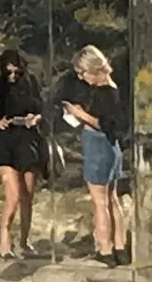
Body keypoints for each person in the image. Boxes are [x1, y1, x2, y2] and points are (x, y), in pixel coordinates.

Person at [54, 46, 127, 266]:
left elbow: (104, 124)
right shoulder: (109, 89)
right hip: (112, 148)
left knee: (99, 202)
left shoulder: (107, 91)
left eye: (82, 72)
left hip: (98, 145)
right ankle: (120, 247)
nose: (80, 77)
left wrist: (79, 114)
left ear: (92, 69)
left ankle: (105, 250)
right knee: (112, 199)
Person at [0, 49, 48, 258]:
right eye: (8, 72)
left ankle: (24, 241)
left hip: (27, 139)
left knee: (27, 195)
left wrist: (34, 118)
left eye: (16, 73)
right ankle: (4, 242)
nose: (12, 77)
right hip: (4, 141)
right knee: (13, 195)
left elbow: (42, 110)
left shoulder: (30, 83)